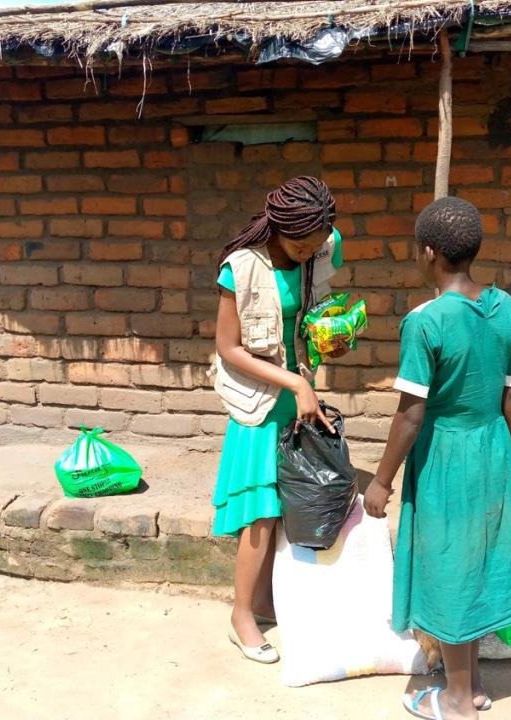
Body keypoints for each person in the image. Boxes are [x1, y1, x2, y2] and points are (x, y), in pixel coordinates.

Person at [364, 197, 511, 720]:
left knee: (451, 570)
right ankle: (473, 683)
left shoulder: (425, 322)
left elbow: (411, 415)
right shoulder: (508, 310)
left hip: (446, 456)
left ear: (429, 252)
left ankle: (458, 703)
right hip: (494, 450)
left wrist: (381, 483)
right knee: (475, 564)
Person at [212, 176, 345, 664]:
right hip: (260, 406)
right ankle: (241, 615)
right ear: (278, 228)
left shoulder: (323, 246)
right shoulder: (241, 268)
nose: (310, 251)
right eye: (300, 243)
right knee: (261, 515)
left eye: (318, 242)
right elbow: (228, 349)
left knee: (288, 508)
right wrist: (293, 383)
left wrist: (333, 335)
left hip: (298, 395)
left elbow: (314, 311)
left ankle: (267, 602)